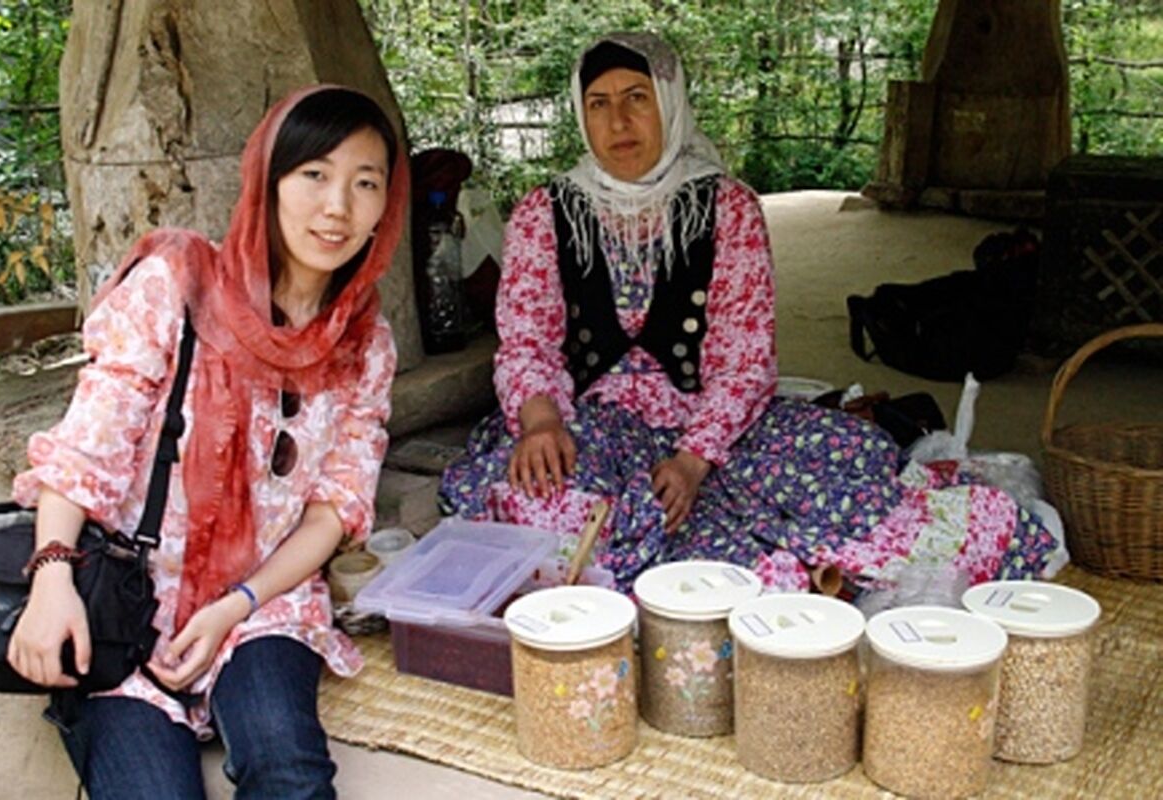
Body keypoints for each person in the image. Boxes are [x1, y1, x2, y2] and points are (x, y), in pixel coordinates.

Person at [439, 32, 1061, 594]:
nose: (618, 121)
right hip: (591, 424)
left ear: (671, 103)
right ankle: (726, 574)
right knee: (537, 500)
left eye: (637, 97)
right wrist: (542, 421)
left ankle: (735, 568)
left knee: (849, 466)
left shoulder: (727, 209)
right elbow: (525, 342)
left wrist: (691, 460)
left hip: (715, 430)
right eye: (598, 103)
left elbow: (746, 361)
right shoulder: (544, 212)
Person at [6, 85, 408, 799]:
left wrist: (238, 603)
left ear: (387, 204)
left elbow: (333, 508)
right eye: (314, 173)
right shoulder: (176, 286)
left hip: (260, 607)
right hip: (130, 600)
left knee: (289, 772)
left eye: (365, 182)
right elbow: (85, 449)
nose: (338, 206)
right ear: (269, 179)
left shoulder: (364, 343)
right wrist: (52, 580)